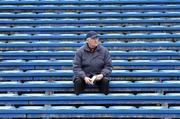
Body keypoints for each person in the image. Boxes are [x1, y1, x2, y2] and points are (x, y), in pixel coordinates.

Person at [73, 31, 112, 95]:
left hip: (98, 75)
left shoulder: (104, 50)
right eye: (93, 39)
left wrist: (102, 74)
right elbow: (76, 67)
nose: (96, 40)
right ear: (87, 40)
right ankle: (78, 103)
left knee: (105, 81)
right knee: (78, 82)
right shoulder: (80, 51)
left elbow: (108, 66)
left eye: (97, 38)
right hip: (84, 75)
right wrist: (84, 77)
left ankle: (105, 103)